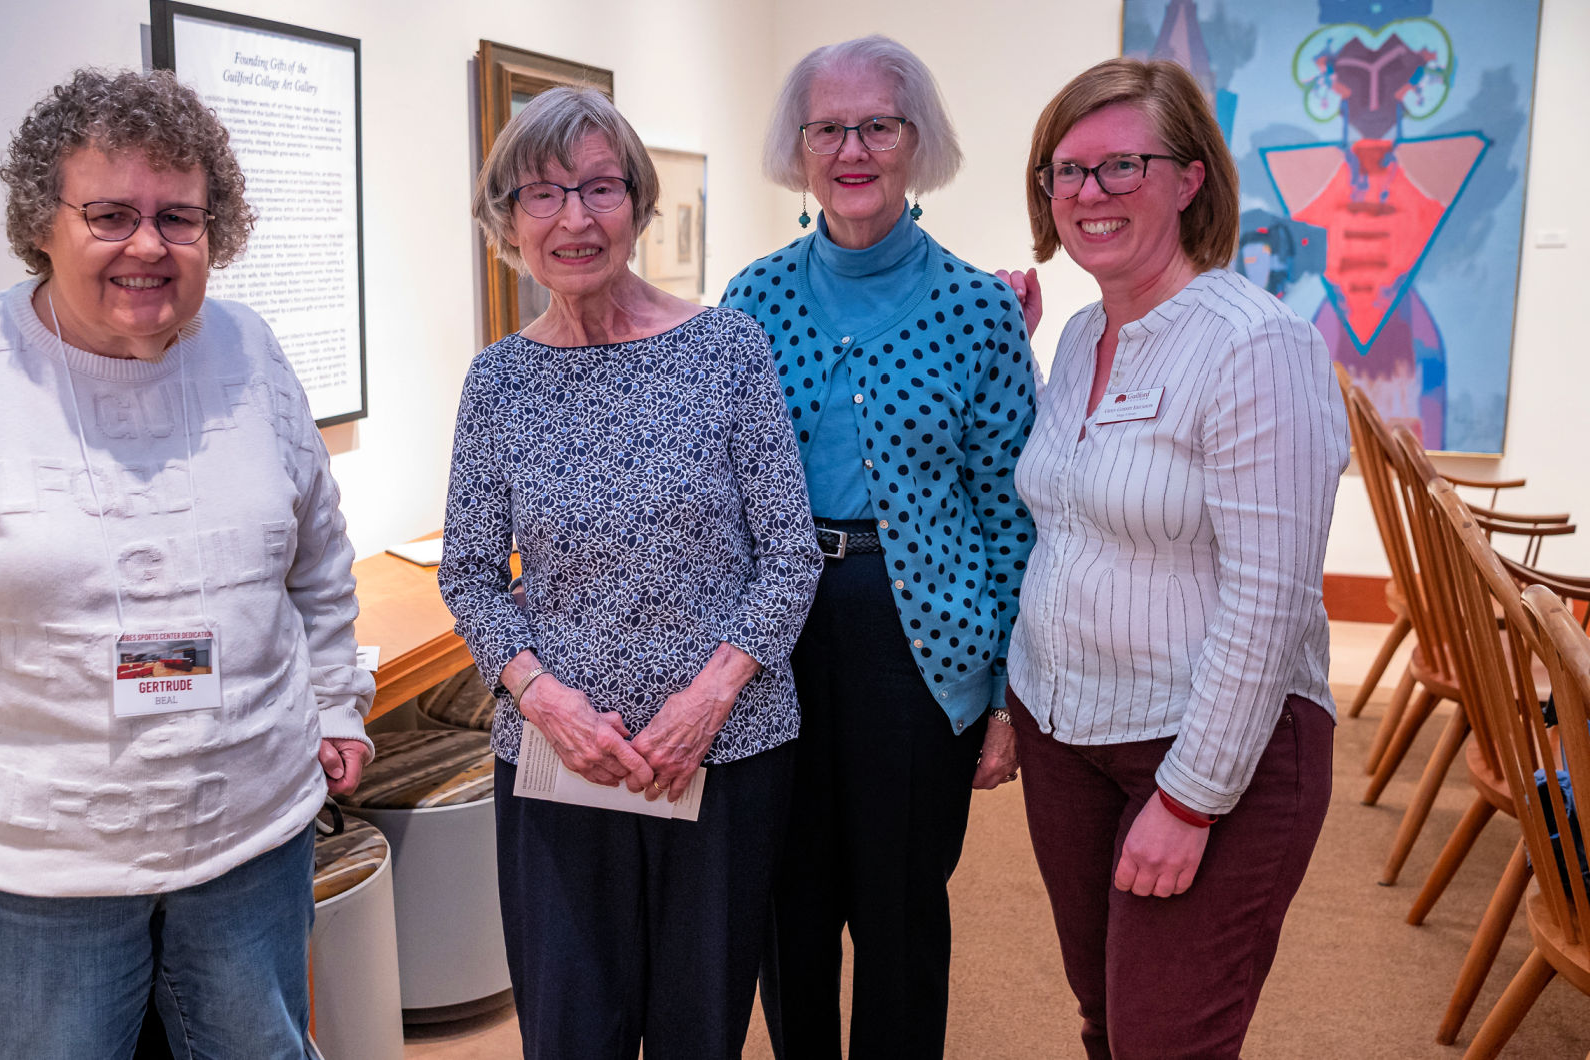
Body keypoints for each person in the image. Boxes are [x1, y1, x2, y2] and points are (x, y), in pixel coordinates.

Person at [0, 68, 374, 1059]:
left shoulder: (250, 353)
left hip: (246, 833)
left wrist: (338, 696)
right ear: (40, 221)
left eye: (179, 216)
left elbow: (315, 562)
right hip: (38, 870)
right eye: (109, 212)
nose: (148, 244)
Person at [441, 86, 821, 1060]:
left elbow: (787, 551)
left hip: (723, 757)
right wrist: (544, 702)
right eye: (543, 194)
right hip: (563, 765)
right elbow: (472, 573)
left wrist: (708, 697)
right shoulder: (499, 380)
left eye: (600, 188)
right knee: (571, 1030)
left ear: (640, 204)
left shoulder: (725, 349)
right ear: (507, 219)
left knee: (700, 1027)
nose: (575, 217)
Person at [998, 57, 1348, 1059]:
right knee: (1109, 1018)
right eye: (1064, 173)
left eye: (1120, 168)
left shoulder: (1255, 345)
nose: (1086, 195)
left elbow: (1269, 603)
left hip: (1210, 746)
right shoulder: (1076, 338)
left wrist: (1191, 798)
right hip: (1067, 731)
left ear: (1189, 179)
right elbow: (1073, 500)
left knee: (1167, 1038)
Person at [719, 35, 1038, 1059]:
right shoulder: (752, 300)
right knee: (785, 903)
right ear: (800, 146)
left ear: (915, 142)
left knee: (901, 907)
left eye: (877, 126)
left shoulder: (978, 310)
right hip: (776, 633)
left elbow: (1011, 516)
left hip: (920, 642)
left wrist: (1005, 693)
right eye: (829, 128)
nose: (852, 149)